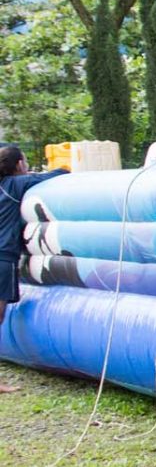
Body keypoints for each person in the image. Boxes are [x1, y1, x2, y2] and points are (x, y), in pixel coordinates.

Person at [0, 145, 68, 391]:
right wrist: (64, 168)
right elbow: (46, 177)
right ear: (19, 165)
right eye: (25, 161)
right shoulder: (13, 187)